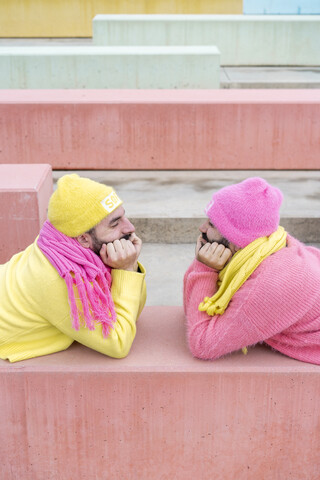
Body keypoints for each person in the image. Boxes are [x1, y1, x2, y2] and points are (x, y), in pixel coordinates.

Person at [0, 174, 146, 362]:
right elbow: (118, 343)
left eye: (124, 216)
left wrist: (130, 266)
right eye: (115, 224)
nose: (130, 227)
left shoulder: (60, 243)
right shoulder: (62, 279)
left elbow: (133, 311)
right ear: (84, 239)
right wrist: (126, 270)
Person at [183, 177, 320, 365]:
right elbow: (190, 307)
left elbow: (202, 344)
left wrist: (204, 269)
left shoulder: (267, 286)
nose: (202, 228)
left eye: (212, 224)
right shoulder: (268, 245)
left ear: (236, 239)